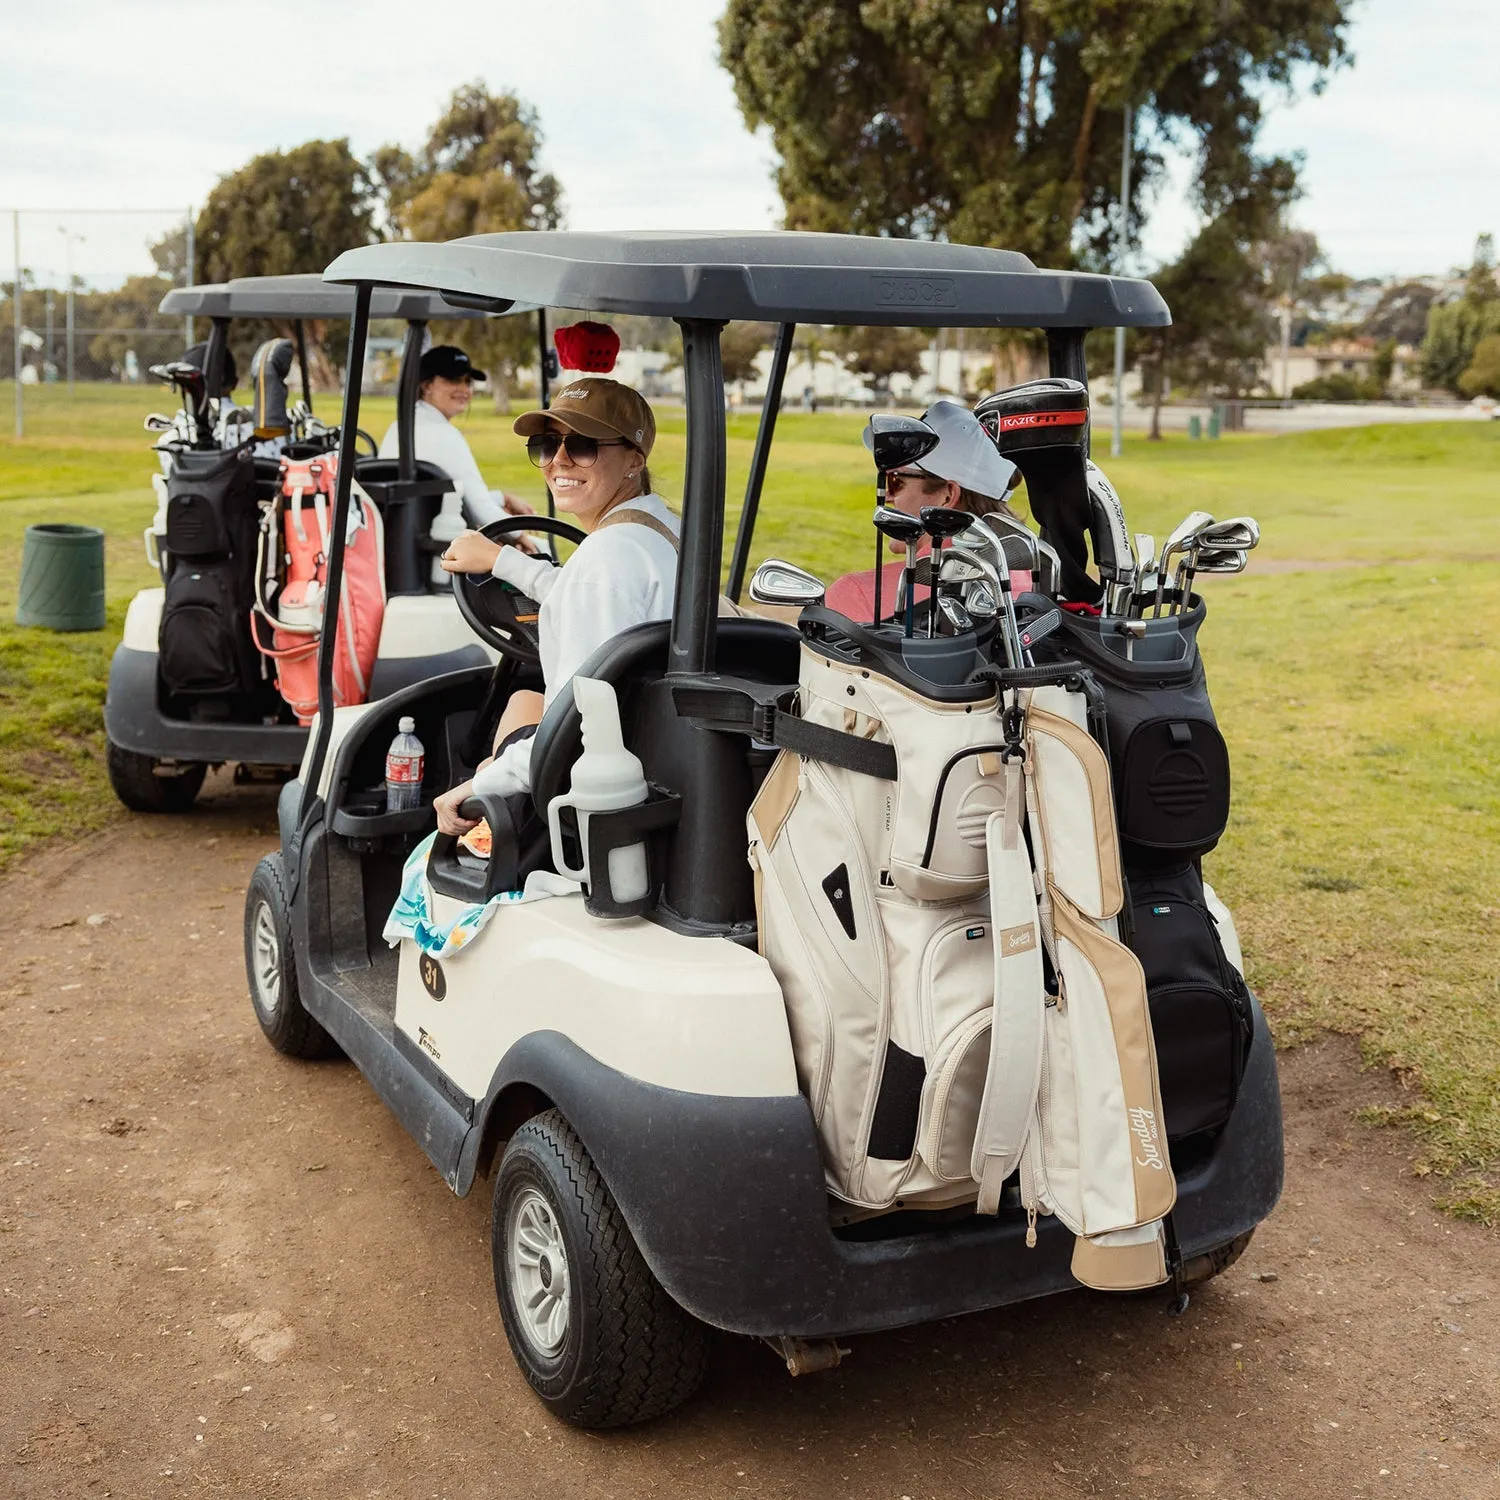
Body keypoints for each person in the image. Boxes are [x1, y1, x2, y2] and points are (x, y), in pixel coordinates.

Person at [432, 377, 677, 837]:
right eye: (546, 445)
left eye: (582, 446)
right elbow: (592, 589)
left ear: (634, 459)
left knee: (500, 745)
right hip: (654, 744)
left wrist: (479, 784)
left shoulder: (602, 563)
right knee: (526, 698)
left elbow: (573, 722)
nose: (558, 461)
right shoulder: (656, 527)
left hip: (601, 780)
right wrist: (505, 561)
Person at [825, 399, 1022, 621]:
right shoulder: (1032, 577)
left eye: (895, 481)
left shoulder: (856, 595)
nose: (887, 496)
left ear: (947, 496)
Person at [378, 344, 531, 528]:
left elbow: (449, 499)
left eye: (467, 381)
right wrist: (519, 533)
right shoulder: (446, 436)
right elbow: (481, 512)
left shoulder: (398, 428)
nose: (464, 389)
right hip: (431, 544)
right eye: (453, 380)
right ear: (427, 386)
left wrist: (501, 498)